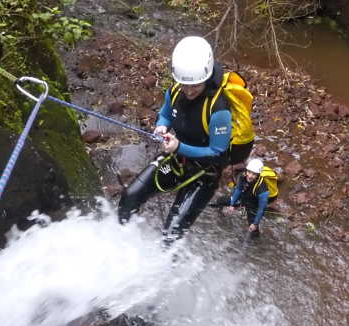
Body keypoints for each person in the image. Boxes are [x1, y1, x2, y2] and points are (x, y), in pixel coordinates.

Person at [118, 36, 251, 242]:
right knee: (130, 197)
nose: (189, 91)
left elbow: (217, 152)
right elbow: (165, 112)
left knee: (171, 233)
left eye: (195, 85)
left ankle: (166, 267)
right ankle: (123, 245)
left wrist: (179, 146)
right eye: (185, 84)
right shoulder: (176, 90)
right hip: (177, 159)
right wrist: (161, 125)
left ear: (206, 77)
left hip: (204, 175)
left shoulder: (218, 110)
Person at [222, 158, 278, 237]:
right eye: (249, 172)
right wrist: (232, 204)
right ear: (246, 171)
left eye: (253, 174)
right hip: (249, 192)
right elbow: (238, 189)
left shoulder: (263, 190)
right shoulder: (243, 175)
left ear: (258, 175)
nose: (250, 176)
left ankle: (255, 239)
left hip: (257, 199)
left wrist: (255, 224)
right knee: (222, 200)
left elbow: (261, 209)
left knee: (252, 225)